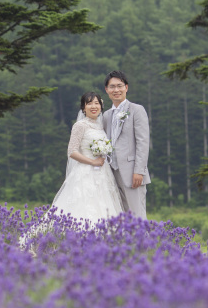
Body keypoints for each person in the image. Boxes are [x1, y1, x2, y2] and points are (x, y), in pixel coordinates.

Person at [48, 92, 124, 224]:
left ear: (101, 106)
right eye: (89, 103)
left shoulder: (101, 126)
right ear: (83, 108)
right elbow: (72, 151)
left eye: (96, 103)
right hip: (85, 172)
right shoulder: (80, 125)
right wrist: (92, 162)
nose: (93, 106)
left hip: (103, 173)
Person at [102, 70, 151, 219]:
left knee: (137, 215)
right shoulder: (106, 115)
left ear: (126, 88)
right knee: (121, 217)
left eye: (119, 86)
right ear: (106, 90)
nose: (116, 90)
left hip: (132, 173)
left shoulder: (137, 110)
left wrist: (139, 171)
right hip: (112, 173)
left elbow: (143, 142)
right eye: (112, 87)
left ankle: (144, 236)